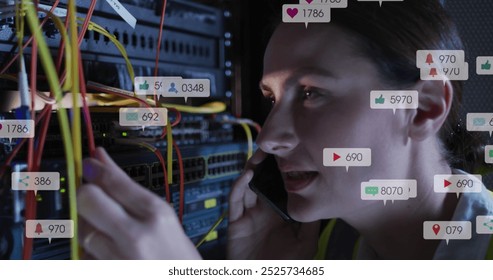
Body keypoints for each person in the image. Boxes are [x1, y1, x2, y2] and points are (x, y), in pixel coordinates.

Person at [77, 0, 493, 259]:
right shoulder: (328, 243)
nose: (269, 138)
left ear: (422, 108)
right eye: (272, 98)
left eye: (312, 93)